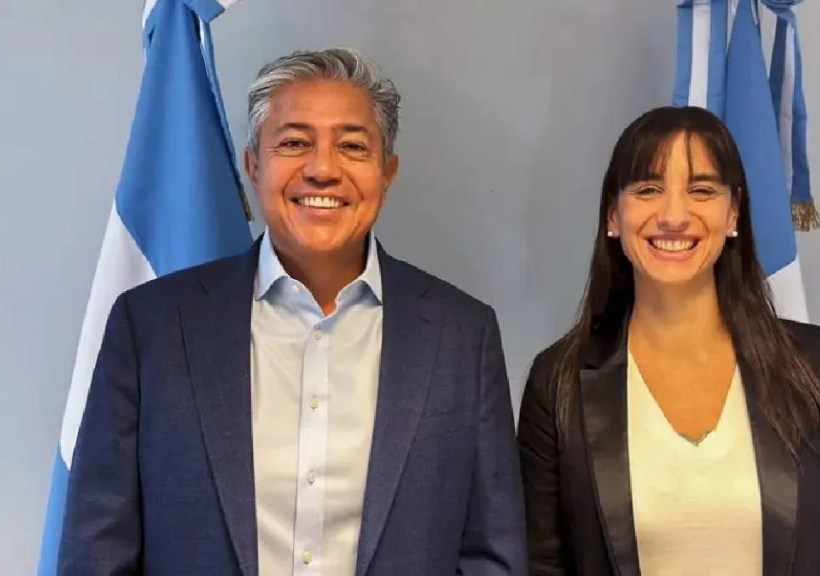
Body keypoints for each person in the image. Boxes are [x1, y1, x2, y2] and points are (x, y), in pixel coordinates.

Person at [59, 47, 527, 576]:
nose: (323, 169)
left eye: (352, 146)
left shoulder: (461, 335)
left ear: (387, 172)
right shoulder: (153, 326)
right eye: (294, 143)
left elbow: (492, 554)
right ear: (253, 166)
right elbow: (98, 551)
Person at [517, 105, 820, 576]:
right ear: (613, 215)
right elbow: (539, 567)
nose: (674, 215)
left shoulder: (815, 365)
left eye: (701, 190)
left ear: (733, 212)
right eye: (648, 190)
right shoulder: (559, 382)